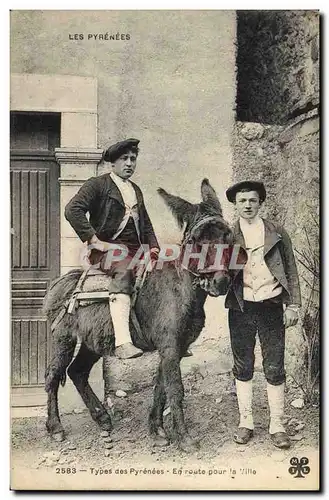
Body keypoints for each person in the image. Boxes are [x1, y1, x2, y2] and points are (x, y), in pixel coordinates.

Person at [65, 138, 159, 359]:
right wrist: (93, 240)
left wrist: (154, 249)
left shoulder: (135, 189)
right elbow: (72, 210)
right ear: (112, 163)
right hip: (106, 252)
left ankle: (168, 336)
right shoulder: (97, 184)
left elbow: (146, 223)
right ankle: (123, 343)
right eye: (124, 159)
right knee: (124, 270)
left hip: (135, 251)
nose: (129, 163)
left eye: (133, 159)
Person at [225, 180, 301, 449]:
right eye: (242, 201)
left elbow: (290, 270)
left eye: (253, 200)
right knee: (243, 364)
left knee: (274, 364)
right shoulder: (228, 234)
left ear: (260, 203)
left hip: (271, 305)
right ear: (235, 204)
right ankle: (245, 423)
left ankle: (277, 425)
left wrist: (293, 305)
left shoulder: (277, 231)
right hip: (240, 306)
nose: (247, 205)